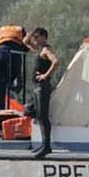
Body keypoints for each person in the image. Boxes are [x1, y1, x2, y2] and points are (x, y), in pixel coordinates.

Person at [27, 27, 59, 158]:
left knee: (43, 116)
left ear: (44, 37)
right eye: (34, 37)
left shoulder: (47, 49)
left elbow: (56, 61)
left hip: (43, 86)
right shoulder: (39, 49)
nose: (35, 40)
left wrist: (45, 75)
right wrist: (29, 37)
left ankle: (47, 146)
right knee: (33, 113)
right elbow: (26, 42)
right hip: (37, 87)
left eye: (37, 37)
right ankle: (43, 144)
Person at [0, 24, 28, 110]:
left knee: (1, 82)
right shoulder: (20, 29)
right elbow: (26, 45)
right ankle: (15, 86)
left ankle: (0, 108)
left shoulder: (1, 29)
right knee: (16, 73)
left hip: (1, 51)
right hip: (15, 52)